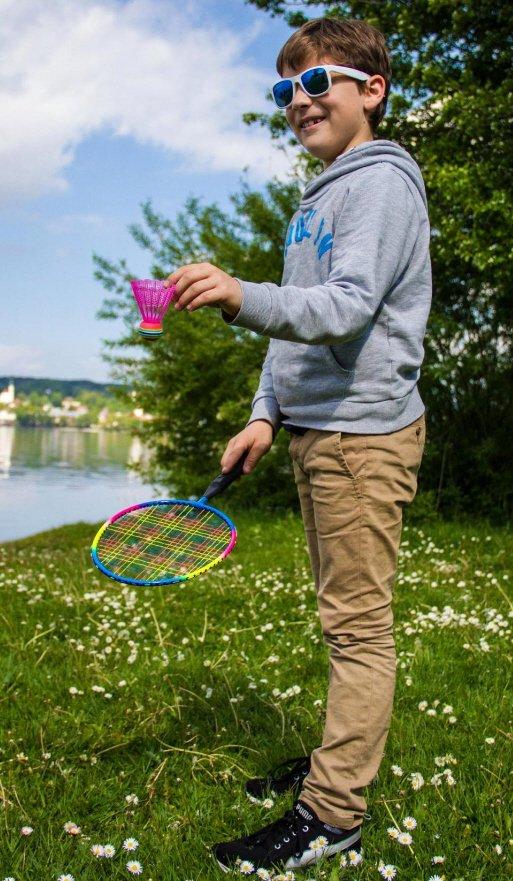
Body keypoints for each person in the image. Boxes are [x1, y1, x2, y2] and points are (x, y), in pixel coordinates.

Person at [164, 15, 431, 874]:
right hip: (322, 430)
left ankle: (333, 811)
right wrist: (263, 414)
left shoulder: (379, 184)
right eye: (285, 89)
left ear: (371, 89)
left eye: (317, 82)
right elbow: (295, 333)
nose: (298, 101)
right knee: (338, 615)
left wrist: (240, 294)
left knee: (357, 629)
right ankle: (331, 762)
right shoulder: (320, 196)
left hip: (362, 434)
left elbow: (345, 307)